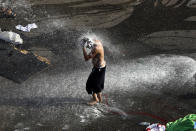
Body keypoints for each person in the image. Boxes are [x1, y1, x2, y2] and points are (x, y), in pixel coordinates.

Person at [81, 37, 106, 106]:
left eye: (90, 47)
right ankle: (100, 99)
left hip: (98, 69)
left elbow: (86, 58)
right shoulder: (97, 41)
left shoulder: (95, 49)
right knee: (97, 84)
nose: (89, 49)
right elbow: (91, 38)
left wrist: (83, 47)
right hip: (100, 68)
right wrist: (87, 39)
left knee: (89, 85)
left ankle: (95, 99)